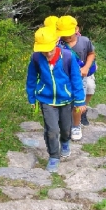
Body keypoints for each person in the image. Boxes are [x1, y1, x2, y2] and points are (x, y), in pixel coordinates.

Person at [26, 26, 86, 173]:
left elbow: (76, 79)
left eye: (50, 49)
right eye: (44, 50)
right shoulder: (36, 58)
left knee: (66, 128)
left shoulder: (68, 56)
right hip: (46, 100)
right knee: (51, 129)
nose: (47, 53)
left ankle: (65, 142)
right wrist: (32, 97)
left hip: (66, 99)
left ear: (56, 42)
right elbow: (31, 79)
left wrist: (79, 100)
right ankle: (53, 156)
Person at [56, 15, 96, 142]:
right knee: (65, 101)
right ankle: (64, 123)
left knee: (78, 101)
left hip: (80, 77)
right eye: (63, 33)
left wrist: (86, 68)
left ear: (76, 29)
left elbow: (91, 54)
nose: (66, 36)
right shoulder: (58, 44)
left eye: (69, 32)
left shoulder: (84, 41)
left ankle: (76, 126)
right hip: (64, 78)